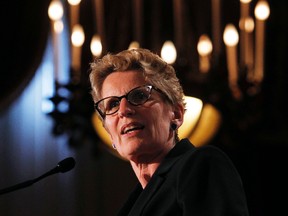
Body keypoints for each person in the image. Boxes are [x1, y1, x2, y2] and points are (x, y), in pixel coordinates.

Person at [89, 48, 249, 216]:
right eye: (112, 104)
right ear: (109, 132)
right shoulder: (133, 204)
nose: (123, 110)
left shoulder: (200, 165)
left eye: (139, 96)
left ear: (176, 114)